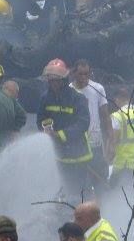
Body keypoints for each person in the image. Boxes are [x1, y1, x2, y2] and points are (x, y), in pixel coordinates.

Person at [38, 58, 93, 199]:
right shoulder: (45, 99)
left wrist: (60, 135)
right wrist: (45, 130)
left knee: (80, 193)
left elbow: (83, 124)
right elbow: (40, 121)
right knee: (62, 192)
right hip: (58, 155)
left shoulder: (77, 99)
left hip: (79, 156)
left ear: (63, 80)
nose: (52, 83)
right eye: (50, 80)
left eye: (55, 80)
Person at [70, 60, 112, 191]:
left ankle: (103, 206)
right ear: (74, 73)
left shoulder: (98, 89)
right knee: (79, 181)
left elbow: (105, 115)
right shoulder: (69, 90)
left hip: (95, 142)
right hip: (76, 143)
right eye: (80, 74)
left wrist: (110, 139)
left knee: (100, 178)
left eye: (86, 74)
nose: (84, 77)